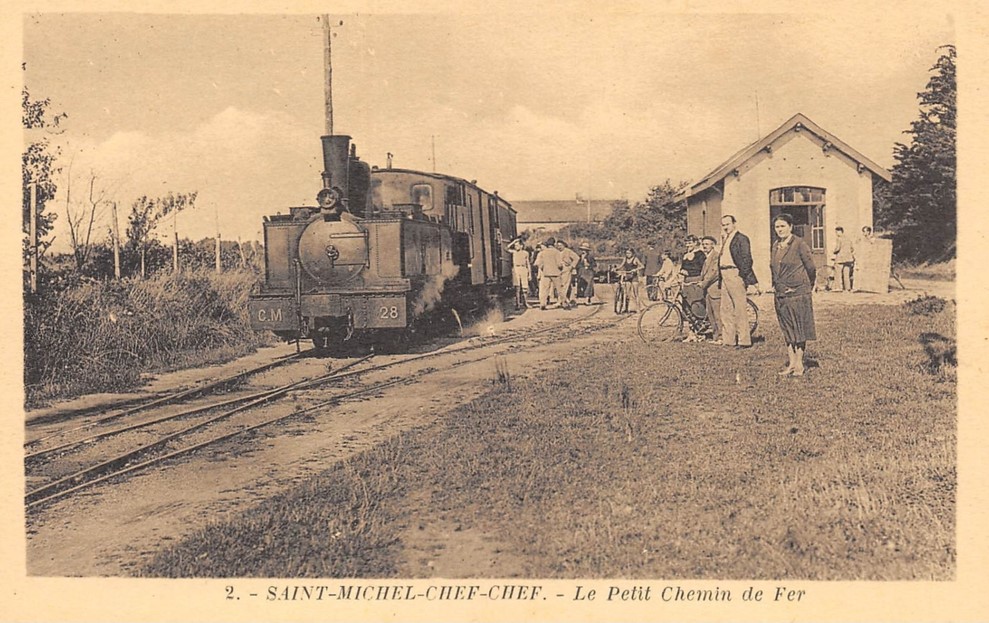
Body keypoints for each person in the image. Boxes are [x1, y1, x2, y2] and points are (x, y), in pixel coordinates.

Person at [770, 214, 816, 376]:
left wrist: (806, 285)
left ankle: (799, 364)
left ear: (790, 227)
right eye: (777, 227)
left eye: (782, 226)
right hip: (781, 293)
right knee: (787, 329)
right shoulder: (776, 245)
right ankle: (791, 363)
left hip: (798, 292)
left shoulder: (799, 244)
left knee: (798, 328)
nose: (780, 230)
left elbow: (811, 267)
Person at [718, 215, 760, 348]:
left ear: (734, 223)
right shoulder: (725, 239)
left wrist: (744, 276)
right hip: (724, 274)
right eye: (723, 225)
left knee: (739, 308)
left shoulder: (741, 239)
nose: (725, 227)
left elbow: (747, 259)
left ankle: (744, 341)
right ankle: (729, 340)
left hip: (735, 273)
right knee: (726, 308)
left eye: (728, 224)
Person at [697, 235, 724, 344]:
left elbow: (714, 273)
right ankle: (716, 337)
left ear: (713, 245)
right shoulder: (707, 257)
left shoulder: (716, 256)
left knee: (718, 315)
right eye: (703, 244)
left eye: (707, 244)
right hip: (708, 290)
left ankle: (722, 337)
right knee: (711, 315)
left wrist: (703, 283)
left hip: (715, 289)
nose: (705, 246)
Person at [534, 237, 564, 310]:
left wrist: (543, 268)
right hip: (555, 273)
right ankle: (563, 303)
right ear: (554, 244)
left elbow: (538, 263)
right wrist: (561, 268)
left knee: (545, 289)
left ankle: (543, 303)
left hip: (546, 273)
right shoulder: (557, 252)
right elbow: (559, 264)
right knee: (559, 289)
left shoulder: (543, 252)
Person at [615, 247, 645, 313]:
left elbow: (642, 266)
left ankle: (638, 308)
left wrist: (635, 269)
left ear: (632, 253)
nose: (628, 254)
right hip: (627, 276)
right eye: (626, 253)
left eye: (629, 253)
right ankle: (626, 308)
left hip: (634, 277)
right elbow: (621, 266)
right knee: (627, 293)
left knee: (635, 293)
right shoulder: (625, 259)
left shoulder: (635, 259)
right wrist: (616, 268)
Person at [556, 239, 581, 309]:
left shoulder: (568, 251)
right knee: (559, 286)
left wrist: (572, 266)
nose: (559, 247)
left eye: (560, 245)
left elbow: (577, 258)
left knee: (565, 285)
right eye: (558, 245)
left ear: (564, 245)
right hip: (558, 270)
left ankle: (562, 301)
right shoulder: (557, 252)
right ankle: (563, 300)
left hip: (566, 269)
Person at [508, 238, 531, 310]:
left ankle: (525, 302)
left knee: (525, 287)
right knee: (517, 287)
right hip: (516, 269)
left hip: (523, 269)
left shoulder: (525, 253)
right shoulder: (514, 252)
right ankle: (517, 304)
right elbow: (506, 248)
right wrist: (513, 242)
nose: (516, 247)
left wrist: (529, 274)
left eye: (517, 245)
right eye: (515, 245)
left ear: (521, 246)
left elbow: (528, 263)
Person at [831, 226, 854, 292]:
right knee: (846, 274)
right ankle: (847, 287)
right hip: (849, 258)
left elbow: (837, 248)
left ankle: (839, 287)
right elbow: (852, 248)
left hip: (840, 259)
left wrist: (834, 252)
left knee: (838, 273)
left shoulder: (839, 239)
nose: (836, 233)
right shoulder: (848, 239)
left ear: (839, 232)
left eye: (836, 232)